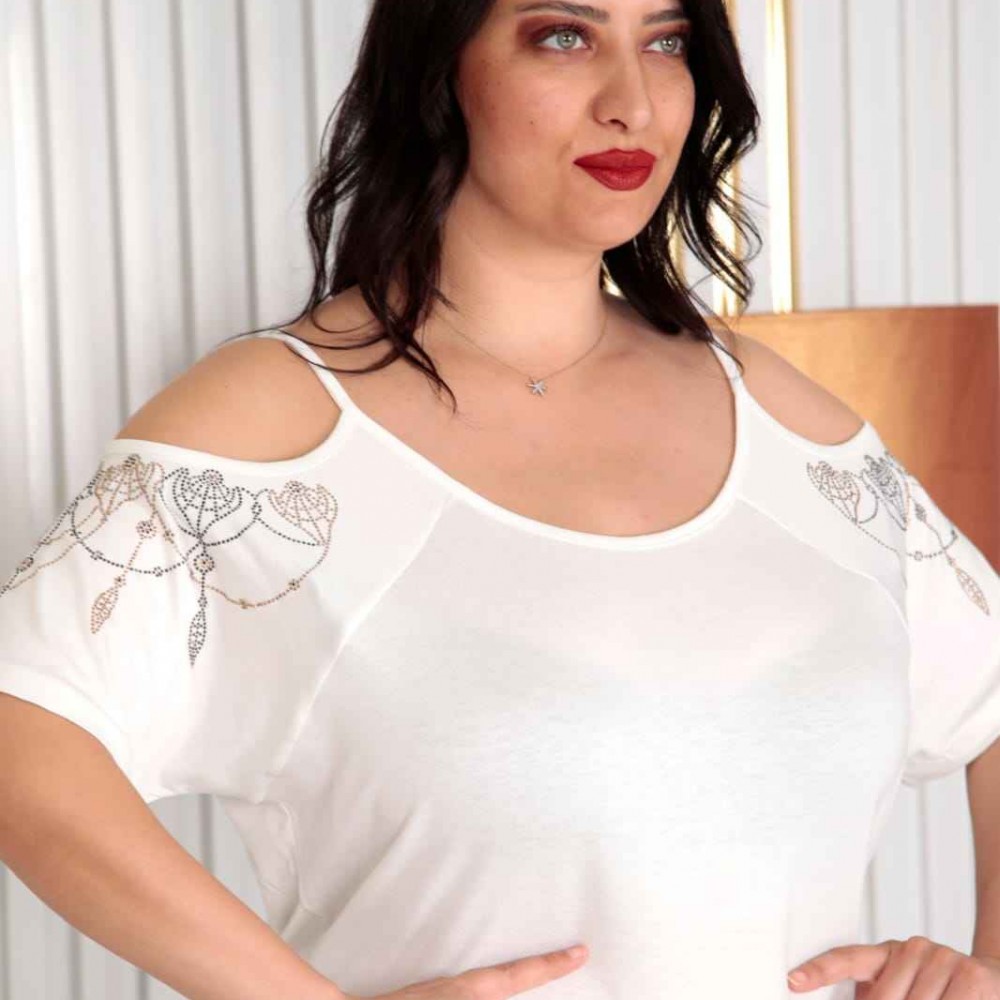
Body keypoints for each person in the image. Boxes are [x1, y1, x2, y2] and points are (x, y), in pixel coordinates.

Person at [0, 0, 997, 998]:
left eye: (665, 43)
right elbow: (22, 740)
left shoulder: (783, 422)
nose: (633, 100)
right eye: (563, 36)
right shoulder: (275, 426)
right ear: (442, 70)